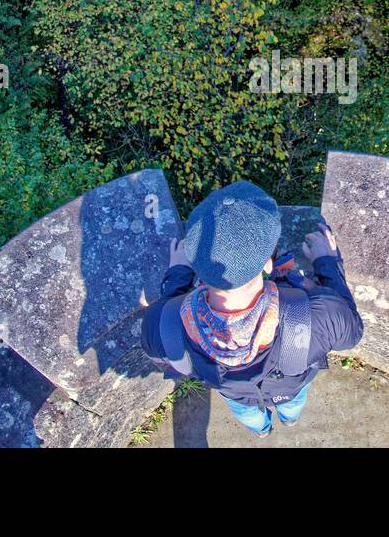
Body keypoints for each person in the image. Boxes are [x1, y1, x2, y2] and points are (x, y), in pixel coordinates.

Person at [141, 180, 363, 437]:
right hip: (291, 388)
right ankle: (289, 419)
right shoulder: (320, 316)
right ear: (269, 265)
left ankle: (261, 430)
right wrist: (328, 264)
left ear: (196, 265)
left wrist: (177, 275)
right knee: (293, 405)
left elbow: (160, 356)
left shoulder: (163, 325)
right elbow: (352, 331)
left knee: (248, 415)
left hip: (238, 398)